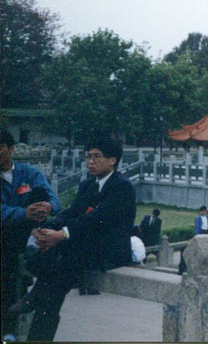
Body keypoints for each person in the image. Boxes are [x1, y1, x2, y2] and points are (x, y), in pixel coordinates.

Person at [10, 137, 136, 341]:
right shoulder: (88, 185)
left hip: (109, 251)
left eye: (97, 157)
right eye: (89, 157)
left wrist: (61, 234)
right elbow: (71, 213)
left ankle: (33, 299)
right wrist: (46, 229)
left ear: (112, 160)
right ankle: (37, 320)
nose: (90, 162)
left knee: (54, 275)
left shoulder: (122, 187)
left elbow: (97, 219)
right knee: (52, 293)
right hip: (82, 248)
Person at [1, 129, 62, 340]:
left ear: (11, 149)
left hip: (27, 231)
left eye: (0, 147)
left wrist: (47, 207)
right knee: (9, 283)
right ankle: (8, 332)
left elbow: (54, 200)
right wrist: (23, 213)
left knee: (40, 196)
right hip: (5, 237)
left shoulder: (28, 173)